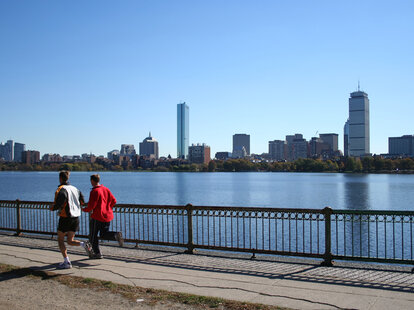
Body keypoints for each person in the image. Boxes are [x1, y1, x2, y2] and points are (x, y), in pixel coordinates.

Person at [50, 171, 93, 269]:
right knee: (70, 240)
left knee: (60, 240)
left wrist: (53, 208)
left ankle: (66, 261)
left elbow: (60, 202)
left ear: (60, 178)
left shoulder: (61, 189)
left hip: (65, 217)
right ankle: (83, 244)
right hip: (76, 217)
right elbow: (82, 201)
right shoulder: (75, 189)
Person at [83, 174, 123, 259]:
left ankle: (97, 253)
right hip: (107, 215)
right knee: (104, 234)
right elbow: (114, 200)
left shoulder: (94, 191)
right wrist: (108, 208)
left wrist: (84, 209)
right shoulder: (106, 189)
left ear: (92, 181)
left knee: (93, 236)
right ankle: (115, 235)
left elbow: (92, 206)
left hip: (97, 217)